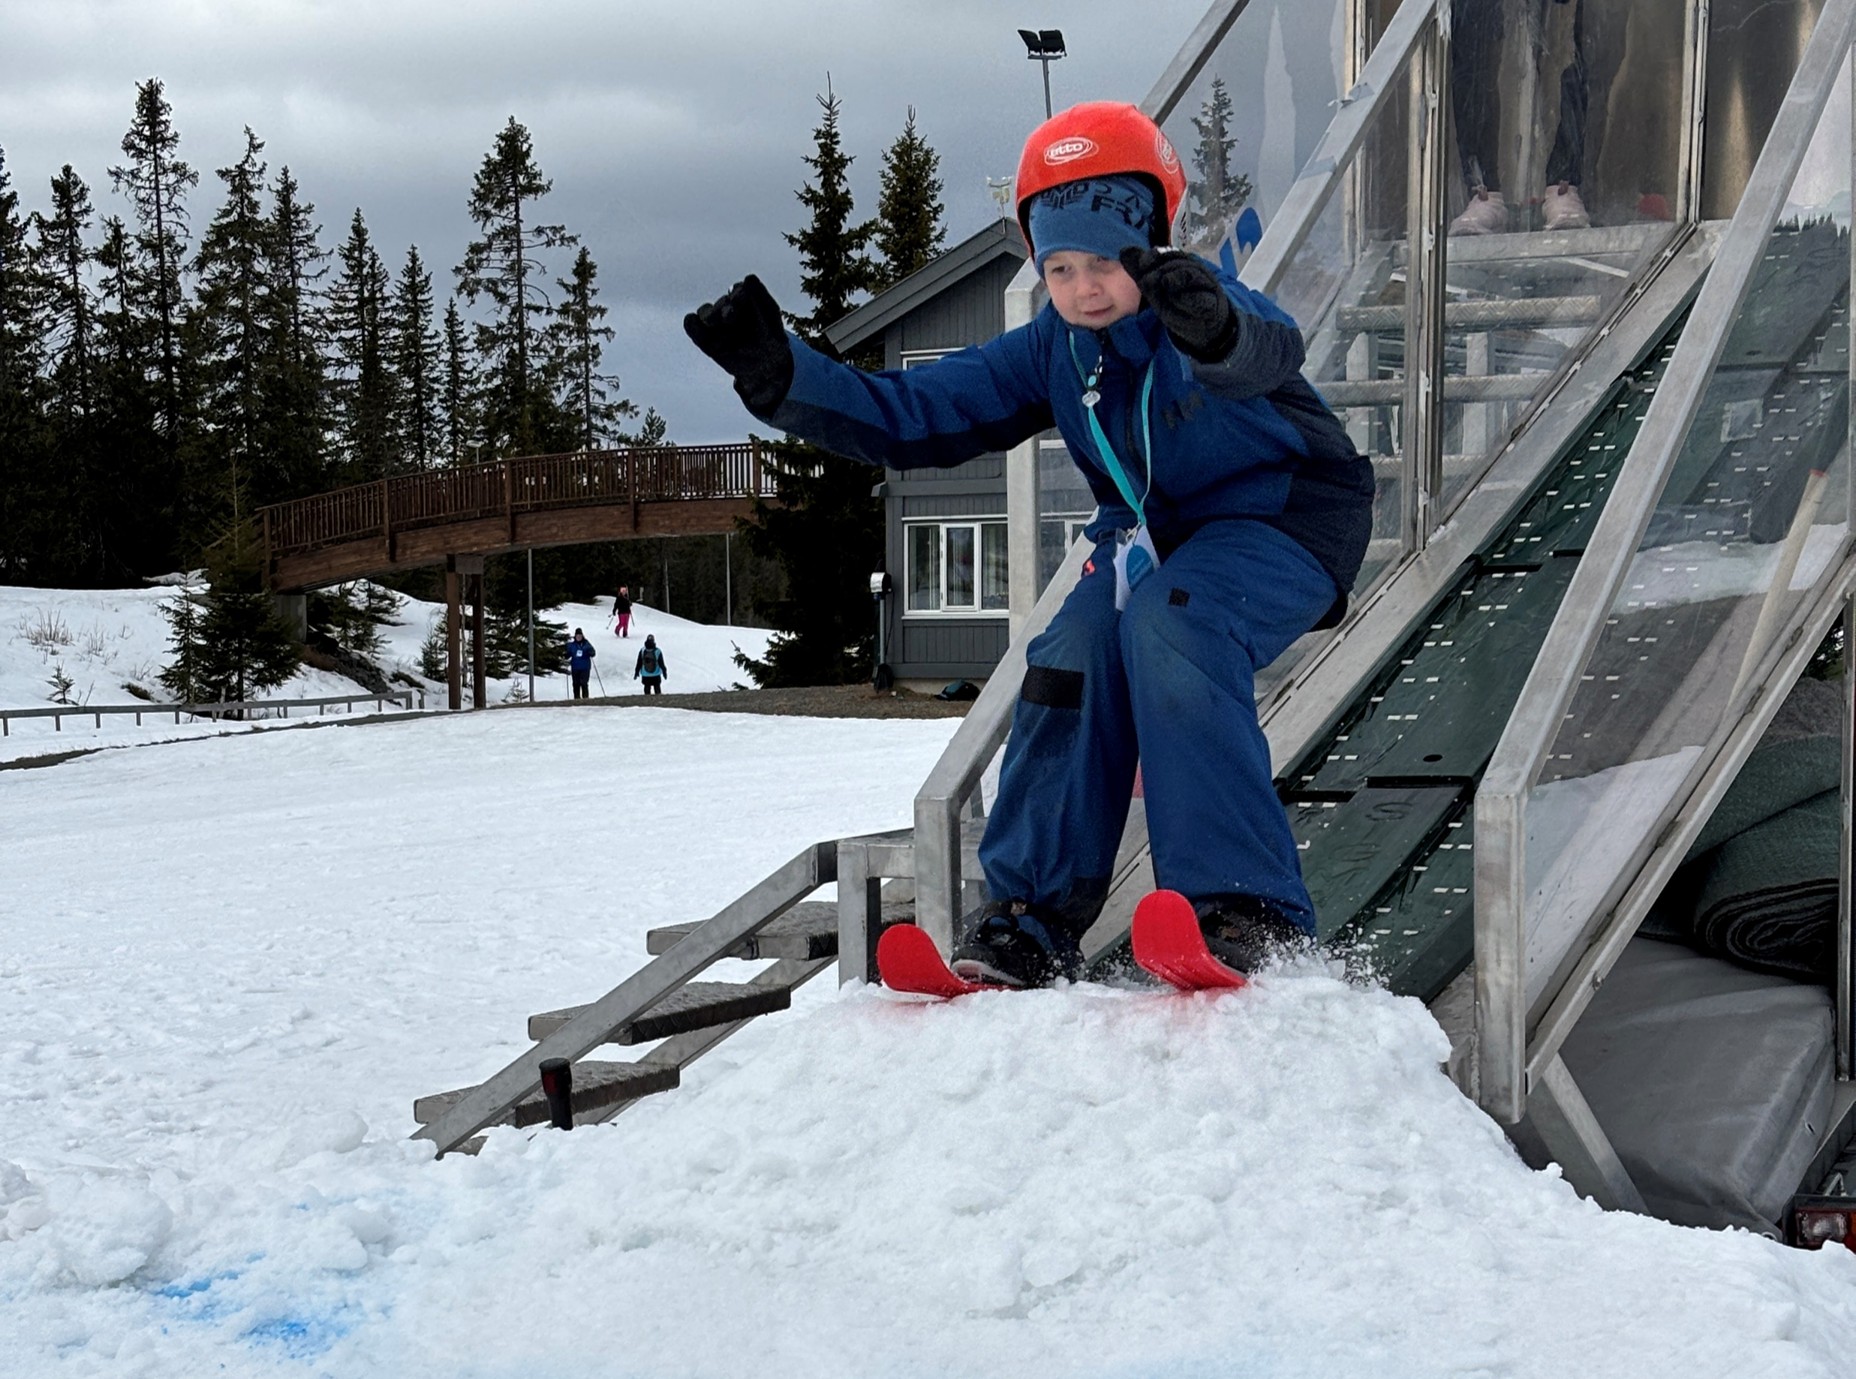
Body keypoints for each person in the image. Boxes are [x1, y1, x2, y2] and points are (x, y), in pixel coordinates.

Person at [685, 102, 1373, 988]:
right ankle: (1029, 918)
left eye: (1106, 264)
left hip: (1285, 516)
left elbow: (1268, 349)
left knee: (1175, 620)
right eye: (1060, 268)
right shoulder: (1056, 345)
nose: (1085, 287)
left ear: (1150, 245)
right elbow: (919, 412)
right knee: (1068, 648)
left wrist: (1213, 328)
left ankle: (1243, 908)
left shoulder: (1196, 302)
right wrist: (785, 376)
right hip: (1152, 540)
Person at [567, 628, 596, 700]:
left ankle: (585, 698)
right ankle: (576, 699)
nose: (578, 637)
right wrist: (566, 655)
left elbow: (593, 652)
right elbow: (568, 654)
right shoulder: (572, 645)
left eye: (580, 635)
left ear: (582, 636)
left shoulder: (586, 644)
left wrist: (591, 652)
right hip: (575, 667)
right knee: (576, 684)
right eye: (577, 636)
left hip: (585, 667)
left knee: (584, 683)